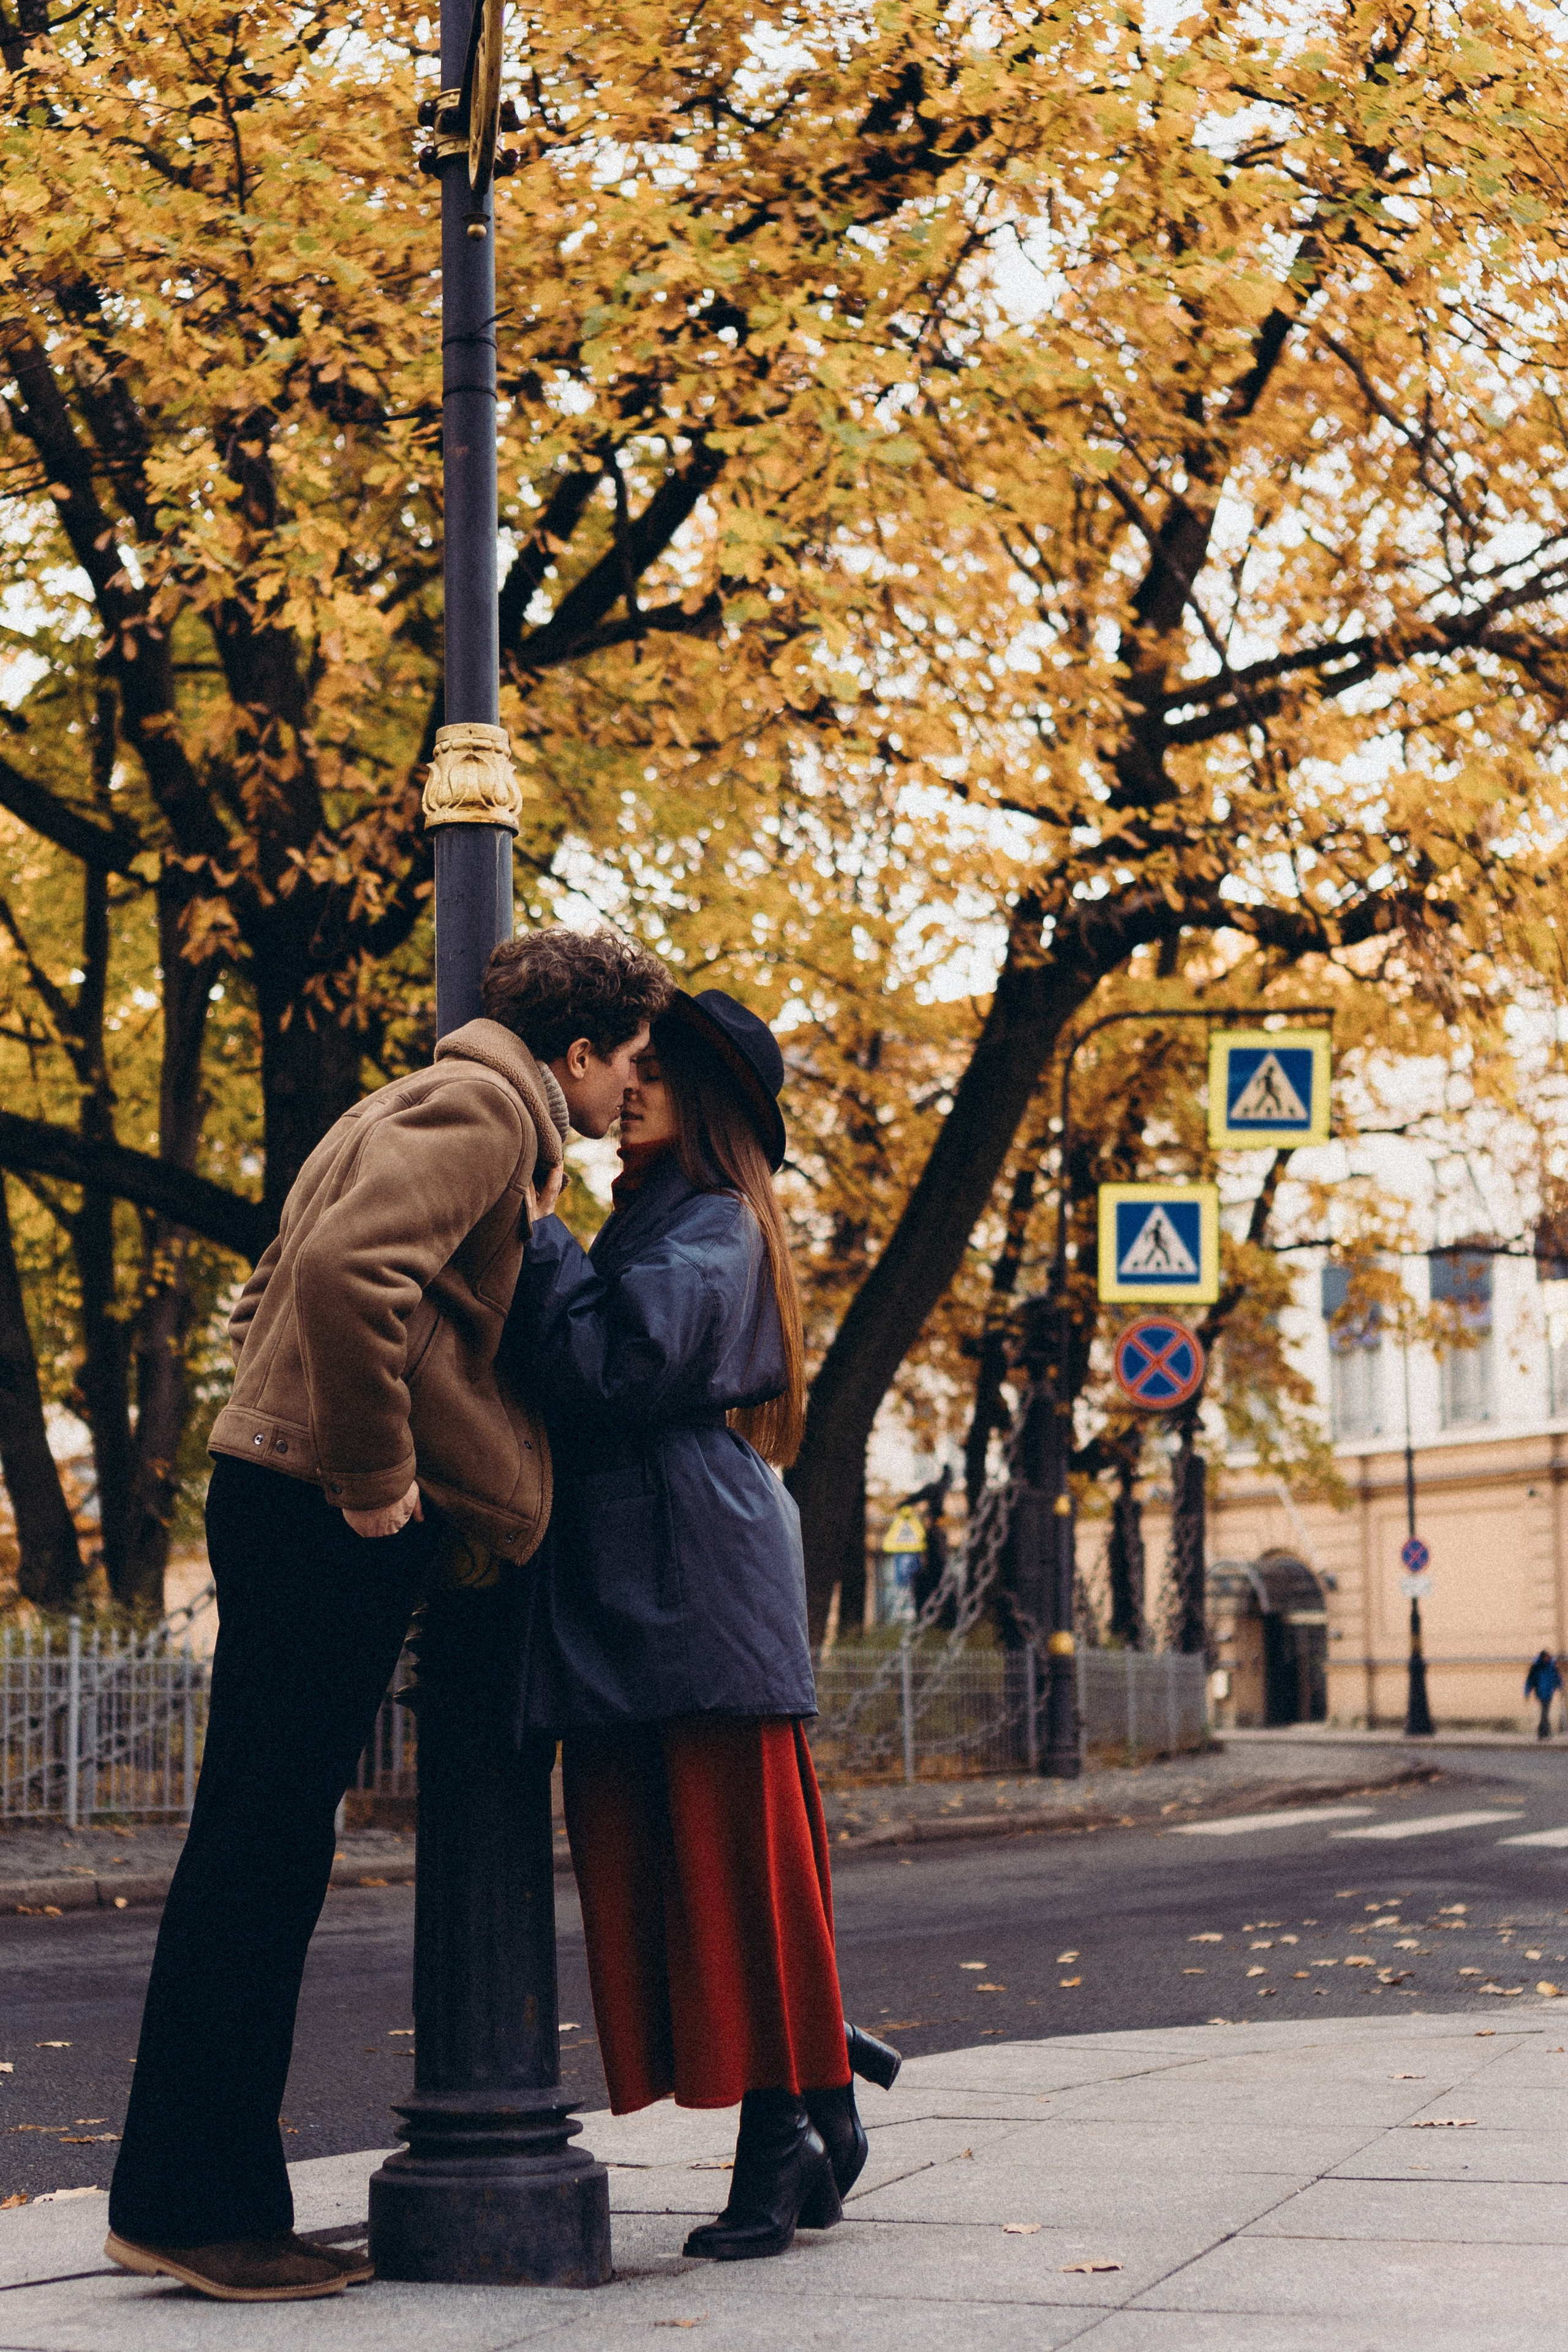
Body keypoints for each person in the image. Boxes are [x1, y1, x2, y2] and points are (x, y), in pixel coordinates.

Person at [105, 927, 669, 2304]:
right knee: (262, 1849)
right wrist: (371, 1478)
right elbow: (345, 1275)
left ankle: (188, 2196)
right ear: (578, 1053)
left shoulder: (411, 1099)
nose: (626, 1097)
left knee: (257, 1838)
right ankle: (199, 2209)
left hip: (281, 1485)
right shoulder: (485, 1108)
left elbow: (284, 1273)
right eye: (628, 1066)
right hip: (319, 1504)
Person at [505, 989, 899, 2267]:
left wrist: (542, 1237)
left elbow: (614, 1367)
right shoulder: (657, 1217)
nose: (625, 1093)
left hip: (695, 1578)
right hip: (644, 1576)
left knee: (735, 1866)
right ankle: (821, 2085)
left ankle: (785, 2130)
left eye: (651, 1078)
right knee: (665, 1868)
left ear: (701, 1103)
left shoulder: (716, 1223)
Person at [1525, 1648, 1562, 1740]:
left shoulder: (1552, 1666)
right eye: (1545, 1657)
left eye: (1548, 1657)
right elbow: (1530, 1680)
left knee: (1545, 1713)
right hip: (1540, 1693)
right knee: (1544, 1713)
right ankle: (1545, 1733)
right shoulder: (1536, 1667)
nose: (1547, 1659)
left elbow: (1557, 1677)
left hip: (1549, 1693)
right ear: (1542, 1658)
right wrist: (1527, 1691)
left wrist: (1560, 1686)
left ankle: (1542, 1734)